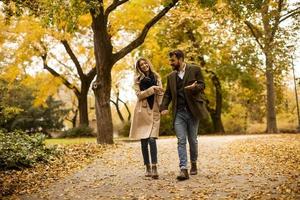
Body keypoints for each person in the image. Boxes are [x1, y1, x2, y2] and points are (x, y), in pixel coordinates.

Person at [160, 50, 209, 181]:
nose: (171, 63)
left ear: (180, 59)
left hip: (193, 111)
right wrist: (164, 107)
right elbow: (168, 94)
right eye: (170, 60)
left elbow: (202, 85)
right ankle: (183, 169)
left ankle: (193, 163)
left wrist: (195, 87)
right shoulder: (170, 77)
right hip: (179, 113)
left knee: (192, 140)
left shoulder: (195, 69)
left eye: (173, 60)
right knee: (181, 140)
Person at [129, 57, 164, 179]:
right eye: (141, 65)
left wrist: (162, 106)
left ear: (148, 64)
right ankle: (147, 167)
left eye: (145, 63)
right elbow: (139, 95)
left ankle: (154, 167)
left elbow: (160, 93)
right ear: (139, 68)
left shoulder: (157, 77)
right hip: (142, 110)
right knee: (144, 141)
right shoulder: (137, 80)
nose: (144, 65)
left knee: (152, 139)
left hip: (154, 109)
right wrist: (152, 89)